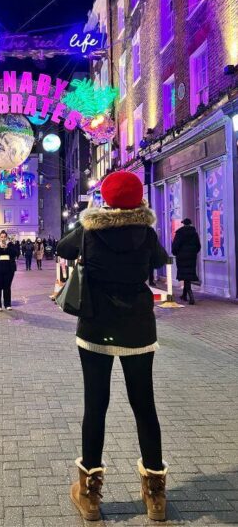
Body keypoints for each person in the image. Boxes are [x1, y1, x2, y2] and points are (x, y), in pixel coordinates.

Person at [57, 171, 169, 522]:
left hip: (96, 326)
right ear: (139, 199)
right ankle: (155, 495)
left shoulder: (90, 232)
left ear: (105, 197)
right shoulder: (146, 233)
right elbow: (159, 260)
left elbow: (62, 247)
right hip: (138, 328)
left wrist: (92, 215)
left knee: (96, 404)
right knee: (144, 405)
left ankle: (90, 495)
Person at [172, 218, 201, 305]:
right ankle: (184, 295)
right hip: (191, 257)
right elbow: (198, 246)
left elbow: (175, 245)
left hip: (181, 257)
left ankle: (190, 296)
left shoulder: (180, 233)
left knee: (185, 275)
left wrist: (176, 253)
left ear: (183, 224)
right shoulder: (194, 233)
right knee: (187, 275)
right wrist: (193, 252)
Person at [0, 230, 17, 311]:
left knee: (7, 287)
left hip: (9, 269)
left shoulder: (10, 244)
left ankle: (7, 304)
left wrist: (7, 247)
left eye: (4, 237)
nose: (3, 238)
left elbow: (15, 253)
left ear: (7, 237)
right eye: (1, 237)